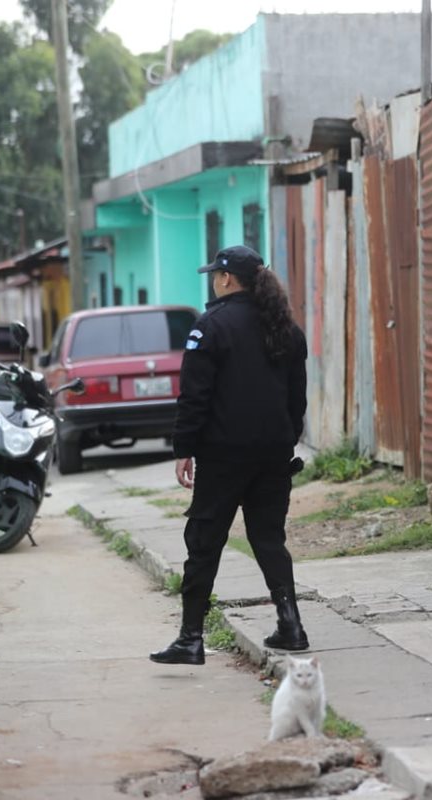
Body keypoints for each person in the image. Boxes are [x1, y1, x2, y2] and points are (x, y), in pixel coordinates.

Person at [151, 245, 310, 666]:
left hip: (223, 457)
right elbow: (297, 401)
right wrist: (283, 441)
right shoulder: (286, 328)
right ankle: (291, 626)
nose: (212, 281)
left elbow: (194, 397)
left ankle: (190, 639)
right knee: (269, 540)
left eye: (214, 275)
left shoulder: (211, 327)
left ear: (226, 279)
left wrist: (184, 448)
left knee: (204, 543)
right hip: (273, 456)